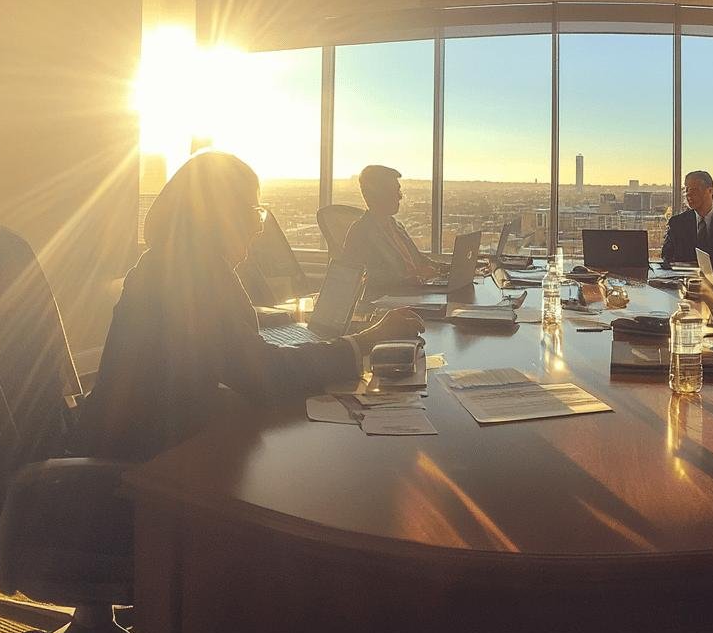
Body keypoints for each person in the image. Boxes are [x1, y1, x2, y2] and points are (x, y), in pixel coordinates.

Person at [73, 151, 422, 461]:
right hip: (142, 468)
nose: (257, 229)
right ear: (219, 215)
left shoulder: (174, 262)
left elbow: (225, 352)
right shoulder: (192, 274)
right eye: (253, 212)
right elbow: (263, 375)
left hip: (137, 438)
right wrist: (364, 343)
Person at [339, 165, 439, 294]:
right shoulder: (360, 232)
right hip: (392, 303)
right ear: (377, 194)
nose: (400, 197)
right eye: (395, 191)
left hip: (415, 293)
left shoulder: (396, 226)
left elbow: (418, 260)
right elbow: (359, 281)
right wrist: (405, 281)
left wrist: (450, 268)